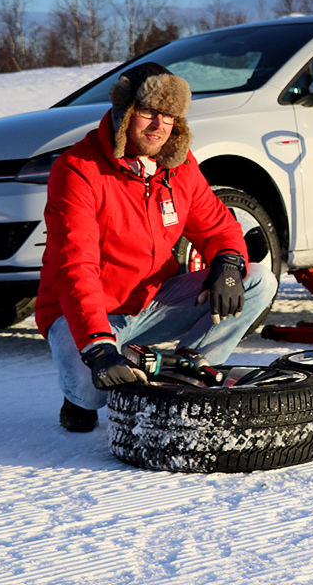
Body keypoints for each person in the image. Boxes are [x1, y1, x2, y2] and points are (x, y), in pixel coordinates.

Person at [35, 62, 277, 432]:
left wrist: (227, 264)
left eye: (168, 116)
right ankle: (77, 397)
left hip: (151, 300)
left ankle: (187, 369)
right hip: (85, 312)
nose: (158, 125)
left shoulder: (178, 167)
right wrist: (98, 348)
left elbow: (216, 225)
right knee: (94, 392)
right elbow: (75, 266)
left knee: (258, 279)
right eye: (148, 111)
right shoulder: (78, 169)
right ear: (123, 112)